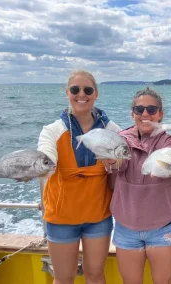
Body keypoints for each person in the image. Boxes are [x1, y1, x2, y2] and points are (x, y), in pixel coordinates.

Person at [37, 70, 121, 284]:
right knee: (64, 278)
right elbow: (46, 155)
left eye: (87, 90)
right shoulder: (52, 130)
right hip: (61, 217)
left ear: (96, 94)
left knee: (95, 275)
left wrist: (115, 163)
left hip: (98, 216)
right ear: (67, 93)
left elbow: (122, 162)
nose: (81, 94)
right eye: (75, 89)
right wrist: (41, 164)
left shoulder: (111, 129)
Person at [104, 88, 171, 284]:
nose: (145, 114)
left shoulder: (170, 139)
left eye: (151, 109)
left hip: (162, 226)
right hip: (126, 225)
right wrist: (112, 162)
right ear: (132, 114)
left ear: (160, 114)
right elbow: (117, 164)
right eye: (139, 110)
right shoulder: (121, 139)